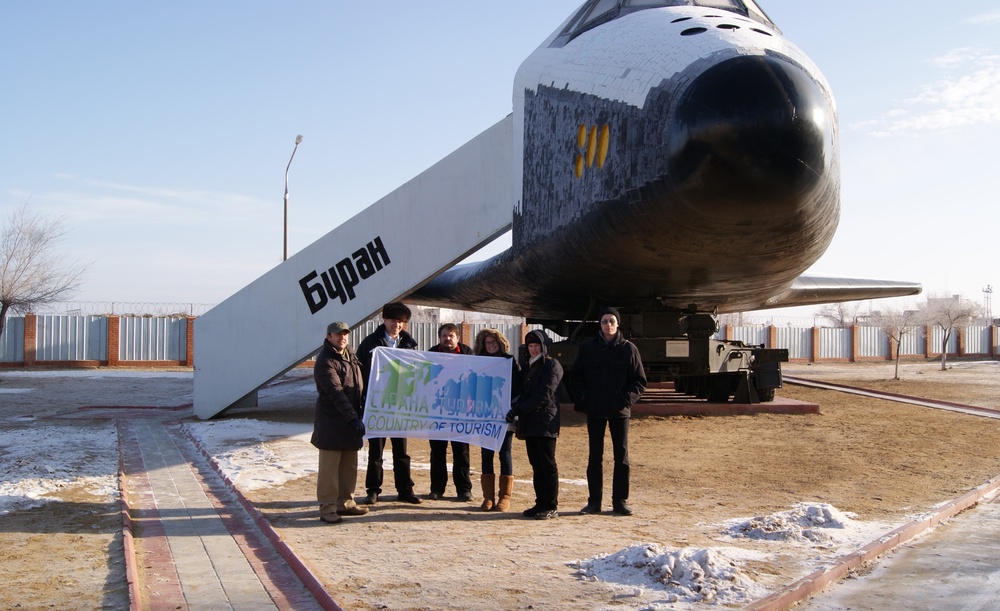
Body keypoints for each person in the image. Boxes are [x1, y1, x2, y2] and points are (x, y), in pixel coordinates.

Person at [570, 307, 647, 516]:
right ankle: (594, 502)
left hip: (619, 411)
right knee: (595, 457)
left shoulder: (629, 349)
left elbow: (639, 381)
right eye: (604, 321)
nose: (608, 325)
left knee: (621, 457)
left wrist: (625, 400)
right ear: (600, 324)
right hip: (595, 410)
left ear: (618, 324)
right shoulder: (588, 349)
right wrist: (584, 398)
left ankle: (620, 501)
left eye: (612, 321)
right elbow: (575, 377)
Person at [356, 302, 422, 505]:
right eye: (393, 321)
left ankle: (405, 490)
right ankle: (373, 490)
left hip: (400, 406)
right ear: (384, 320)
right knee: (376, 451)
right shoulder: (370, 343)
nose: (397, 325)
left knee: (401, 451)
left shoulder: (409, 344)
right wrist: (362, 399)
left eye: (401, 322)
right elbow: (359, 372)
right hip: (377, 405)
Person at [311, 321, 369, 524]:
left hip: (351, 420)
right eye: (338, 334)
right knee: (329, 469)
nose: (342, 337)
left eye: (345, 334)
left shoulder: (350, 355)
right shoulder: (325, 361)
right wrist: (353, 418)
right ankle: (327, 507)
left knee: (348, 466)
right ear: (329, 336)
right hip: (332, 421)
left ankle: (345, 502)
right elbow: (336, 393)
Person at [507, 330, 563, 520]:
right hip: (530, 422)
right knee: (536, 464)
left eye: (536, 346)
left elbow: (544, 393)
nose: (533, 349)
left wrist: (520, 409)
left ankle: (551, 505)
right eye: (530, 346)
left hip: (545, 421)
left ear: (543, 346)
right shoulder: (528, 365)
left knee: (547, 464)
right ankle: (540, 503)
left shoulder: (552, 365)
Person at [473, 328, 521, 511]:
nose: (491, 345)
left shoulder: (509, 361)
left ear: (500, 343)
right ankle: (488, 497)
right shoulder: (478, 362)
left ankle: (504, 497)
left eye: (494, 342)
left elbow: (517, 387)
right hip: (484, 414)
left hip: (504, 414)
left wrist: (513, 408)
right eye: (487, 343)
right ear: (482, 344)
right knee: (486, 453)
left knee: (504, 453)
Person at [427, 323, 474, 501]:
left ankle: (464, 489)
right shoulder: (431, 354)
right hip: (437, 410)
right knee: (437, 451)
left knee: (461, 451)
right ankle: (437, 489)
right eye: (444, 336)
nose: (447, 339)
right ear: (440, 338)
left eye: (451, 336)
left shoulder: (469, 354)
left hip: (461, 411)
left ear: (457, 338)